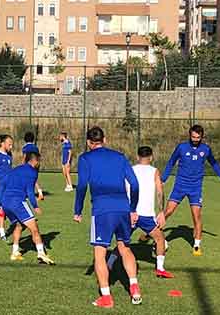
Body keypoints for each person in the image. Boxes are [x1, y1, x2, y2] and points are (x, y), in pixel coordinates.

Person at [73, 126, 142, 308]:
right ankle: (134, 286)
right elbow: (134, 184)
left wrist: (78, 210)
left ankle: (106, 297)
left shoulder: (85, 158)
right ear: (105, 139)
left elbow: (81, 186)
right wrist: (132, 208)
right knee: (125, 248)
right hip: (123, 208)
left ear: (89, 142)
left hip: (102, 210)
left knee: (99, 253)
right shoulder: (119, 157)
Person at [158, 125, 220, 257]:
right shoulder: (181, 147)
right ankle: (153, 234)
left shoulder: (206, 149)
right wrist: (163, 179)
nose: (195, 139)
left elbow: (214, 164)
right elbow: (171, 162)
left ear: (202, 136)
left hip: (195, 188)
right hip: (180, 185)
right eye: (193, 137)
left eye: (198, 137)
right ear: (189, 135)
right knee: (167, 212)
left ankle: (197, 245)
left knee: (196, 216)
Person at [107, 146, 173, 278]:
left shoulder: (130, 170)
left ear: (137, 157)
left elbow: (123, 190)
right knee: (160, 239)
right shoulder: (155, 171)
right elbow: (160, 192)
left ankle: (109, 264)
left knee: (123, 242)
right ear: (151, 157)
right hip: (147, 215)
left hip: (130, 213)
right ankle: (160, 268)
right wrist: (161, 212)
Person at [0, 151, 55, 265]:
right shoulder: (32, 172)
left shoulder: (16, 169)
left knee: (19, 225)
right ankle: (41, 253)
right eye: (39, 161)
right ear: (35, 161)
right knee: (34, 228)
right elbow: (30, 191)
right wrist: (35, 206)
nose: (39, 163)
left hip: (6, 202)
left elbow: (1, 184)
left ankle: (15, 252)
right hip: (18, 202)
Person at [21, 132, 44, 200]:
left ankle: (25, 195)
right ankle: (40, 193)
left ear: (25, 139)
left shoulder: (25, 147)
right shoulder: (35, 147)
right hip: (37, 163)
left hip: (29, 164)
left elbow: (25, 157)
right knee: (34, 179)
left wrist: (22, 165)